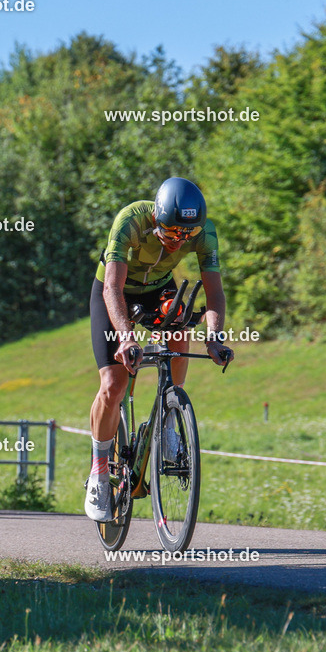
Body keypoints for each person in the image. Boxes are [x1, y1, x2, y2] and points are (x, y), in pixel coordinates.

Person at [85, 177, 233, 521]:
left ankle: (169, 417)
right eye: (172, 232)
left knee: (179, 324)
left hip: (157, 290)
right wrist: (126, 337)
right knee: (114, 384)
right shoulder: (131, 220)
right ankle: (99, 473)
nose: (179, 241)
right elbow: (112, 287)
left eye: (187, 235)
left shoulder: (204, 232)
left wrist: (214, 337)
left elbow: (214, 293)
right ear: (156, 217)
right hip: (115, 291)